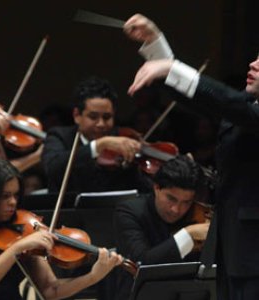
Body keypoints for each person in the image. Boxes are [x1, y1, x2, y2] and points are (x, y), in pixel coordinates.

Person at [124, 13, 259, 300]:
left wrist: (171, 67)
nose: (253, 64)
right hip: (234, 250)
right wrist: (156, 47)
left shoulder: (248, 111)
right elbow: (205, 97)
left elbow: (228, 101)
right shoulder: (247, 106)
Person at [0, 158, 122, 300]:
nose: (13, 202)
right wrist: (17, 248)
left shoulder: (22, 229)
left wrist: (92, 277)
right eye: (4, 196)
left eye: (16, 195)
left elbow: (50, 290)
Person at [113, 155, 209, 300]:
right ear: (156, 187)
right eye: (171, 198)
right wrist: (187, 234)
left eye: (186, 202)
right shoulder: (129, 212)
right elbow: (142, 264)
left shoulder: (198, 216)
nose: (176, 209)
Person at [42, 76, 151, 194]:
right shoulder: (58, 136)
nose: (101, 124)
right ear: (77, 115)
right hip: (67, 211)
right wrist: (97, 146)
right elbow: (52, 168)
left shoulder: (122, 139)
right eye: (93, 117)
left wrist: (133, 166)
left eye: (107, 117)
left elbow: (144, 188)